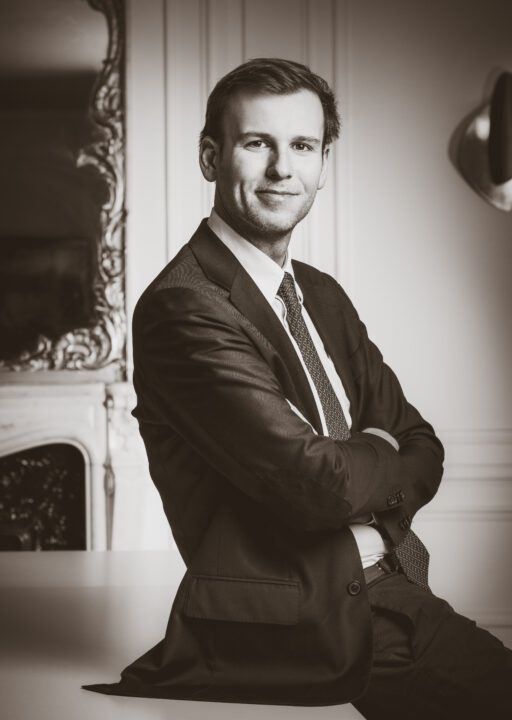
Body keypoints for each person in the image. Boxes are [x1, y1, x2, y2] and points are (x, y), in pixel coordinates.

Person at [84, 58, 512, 717]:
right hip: (300, 623)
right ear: (210, 157)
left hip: (388, 588)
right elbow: (319, 485)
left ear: (323, 162)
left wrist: (365, 464)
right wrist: (376, 456)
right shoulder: (184, 307)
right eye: (258, 143)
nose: (283, 168)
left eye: (303, 146)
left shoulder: (321, 294)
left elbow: (424, 444)